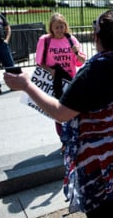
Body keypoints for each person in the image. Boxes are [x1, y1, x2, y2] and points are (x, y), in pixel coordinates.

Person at [4, 9, 113, 217]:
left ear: (97, 37)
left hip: (99, 163)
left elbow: (61, 113)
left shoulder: (96, 70)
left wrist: (27, 85)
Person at [35, 13, 86, 147]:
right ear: (51, 28)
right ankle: (64, 141)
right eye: (56, 27)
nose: (59, 30)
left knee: (74, 112)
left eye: (61, 26)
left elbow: (82, 62)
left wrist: (76, 52)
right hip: (54, 82)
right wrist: (51, 71)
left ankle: (75, 137)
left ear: (65, 26)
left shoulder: (71, 39)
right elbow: (39, 62)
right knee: (58, 113)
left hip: (70, 81)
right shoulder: (45, 40)